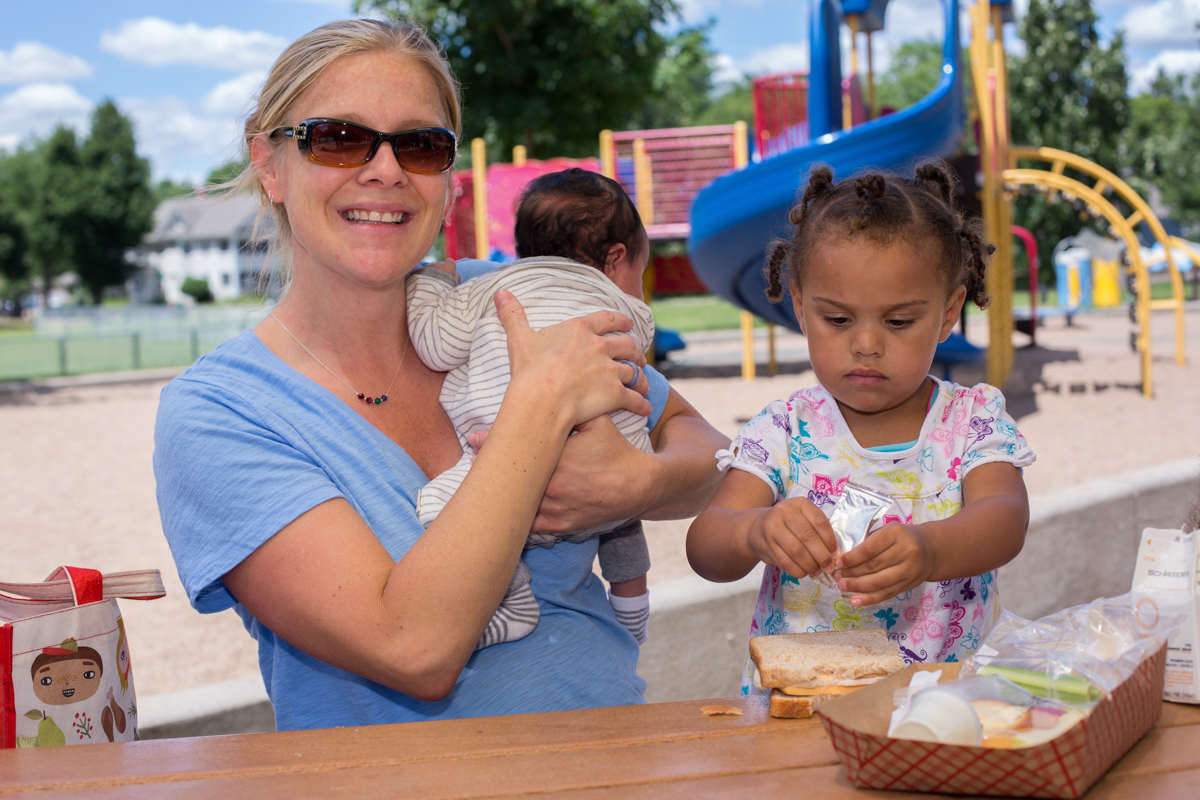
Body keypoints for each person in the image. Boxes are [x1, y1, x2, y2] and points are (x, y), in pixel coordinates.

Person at [153, 18, 727, 731]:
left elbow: (711, 455)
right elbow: (414, 649)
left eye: (421, 146)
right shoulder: (222, 412)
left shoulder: (505, 296)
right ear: (270, 163)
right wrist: (538, 407)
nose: (386, 170)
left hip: (616, 760)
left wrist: (638, 484)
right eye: (339, 138)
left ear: (446, 180)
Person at [686, 162, 1035, 693]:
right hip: (803, 709)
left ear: (947, 314)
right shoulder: (784, 430)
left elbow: (1005, 518)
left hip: (944, 704)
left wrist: (932, 550)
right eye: (838, 320)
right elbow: (707, 545)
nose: (867, 344)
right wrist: (755, 530)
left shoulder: (972, 420)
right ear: (801, 307)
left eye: (898, 322)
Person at [407, 169, 658, 649]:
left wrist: (429, 284)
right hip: (614, 481)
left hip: (509, 487)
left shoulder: (493, 290)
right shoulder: (620, 304)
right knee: (625, 520)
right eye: (640, 274)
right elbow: (642, 338)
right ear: (616, 259)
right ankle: (632, 609)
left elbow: (434, 345)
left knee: (447, 507)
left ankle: (512, 597)